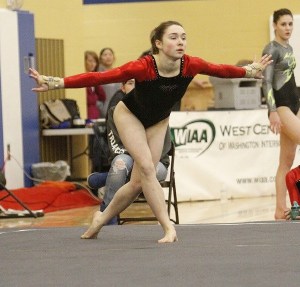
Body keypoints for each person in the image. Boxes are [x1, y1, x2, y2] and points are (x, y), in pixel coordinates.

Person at [30, 20, 272, 243]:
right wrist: (56, 82)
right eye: (174, 37)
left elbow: (220, 69)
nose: (181, 42)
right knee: (146, 167)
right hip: (129, 115)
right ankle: (168, 228)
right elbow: (100, 76)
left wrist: (249, 71)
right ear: (158, 43)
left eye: (183, 38)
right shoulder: (143, 67)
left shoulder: (190, 65)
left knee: (137, 183)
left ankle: (100, 219)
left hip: (158, 121)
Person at [88, 79, 171, 225]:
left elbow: (163, 149)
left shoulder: (159, 110)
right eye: (131, 83)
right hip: (126, 158)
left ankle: (105, 189)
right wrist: (136, 159)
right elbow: (115, 147)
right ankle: (109, 218)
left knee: (136, 170)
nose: (135, 87)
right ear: (123, 88)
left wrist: (140, 162)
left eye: (140, 84)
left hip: (155, 164)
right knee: (120, 163)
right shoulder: (115, 111)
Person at [261, 8, 300, 220]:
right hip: (282, 105)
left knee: (286, 161)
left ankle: (280, 209)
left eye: (290, 24)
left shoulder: (289, 47)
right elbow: (266, 81)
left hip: (294, 103)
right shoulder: (271, 48)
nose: (287, 28)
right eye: (283, 24)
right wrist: (272, 111)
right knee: (286, 160)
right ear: (275, 25)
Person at [98, 47, 121, 117]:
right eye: (105, 55)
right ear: (100, 58)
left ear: (114, 57)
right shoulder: (98, 74)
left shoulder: (118, 72)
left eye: (110, 54)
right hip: (103, 111)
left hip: (117, 110)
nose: (108, 57)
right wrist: (101, 108)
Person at [84, 51, 106, 119]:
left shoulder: (95, 78)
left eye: (95, 61)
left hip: (95, 116)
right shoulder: (83, 78)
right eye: (90, 61)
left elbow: (102, 96)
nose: (93, 64)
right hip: (86, 115)